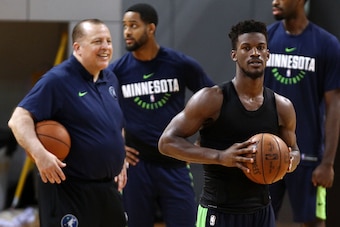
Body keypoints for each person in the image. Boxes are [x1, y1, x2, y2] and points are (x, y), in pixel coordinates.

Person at [158, 19, 301, 227]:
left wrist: (289, 160)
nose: (254, 53)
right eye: (246, 48)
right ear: (234, 55)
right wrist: (220, 156)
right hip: (219, 211)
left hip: (262, 212)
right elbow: (166, 143)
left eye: (260, 48)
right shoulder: (211, 99)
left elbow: (295, 151)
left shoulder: (282, 106)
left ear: (268, 55)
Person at [7, 19, 127, 227]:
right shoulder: (57, 80)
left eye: (108, 41)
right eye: (97, 41)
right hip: (68, 191)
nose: (106, 47)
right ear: (77, 48)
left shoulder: (110, 79)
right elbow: (18, 119)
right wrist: (40, 154)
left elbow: (116, 126)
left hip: (107, 189)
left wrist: (120, 160)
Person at [108, 3, 215, 227]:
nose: (127, 32)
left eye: (134, 26)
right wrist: (116, 145)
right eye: (125, 26)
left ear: (151, 28)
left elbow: (213, 98)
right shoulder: (117, 71)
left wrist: (206, 135)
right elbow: (101, 113)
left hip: (174, 162)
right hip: (136, 166)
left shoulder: (179, 64)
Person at [264, 0, 340, 226]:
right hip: (265, 151)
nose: (275, 1)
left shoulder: (326, 44)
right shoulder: (264, 39)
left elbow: (334, 106)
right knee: (257, 219)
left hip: (308, 155)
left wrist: (327, 163)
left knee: (314, 221)